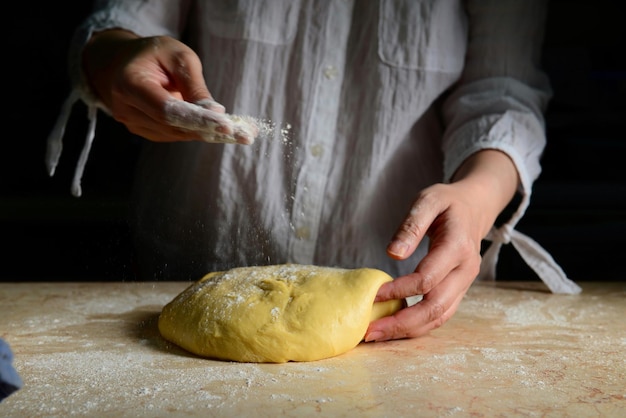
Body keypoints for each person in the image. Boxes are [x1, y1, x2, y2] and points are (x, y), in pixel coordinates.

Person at [47, 0, 581, 343]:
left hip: (395, 297)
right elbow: (122, 24)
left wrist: (477, 194)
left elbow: (502, 94)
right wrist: (117, 60)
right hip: (180, 276)